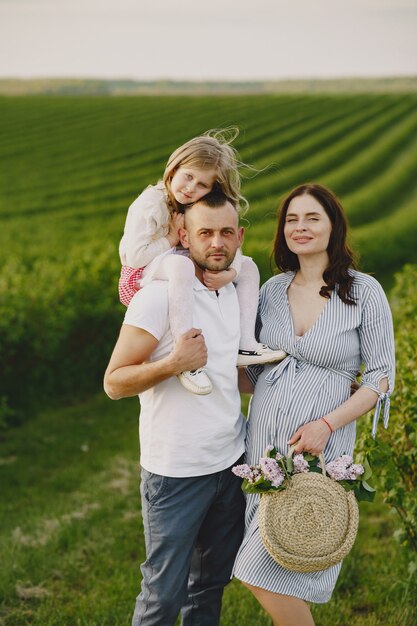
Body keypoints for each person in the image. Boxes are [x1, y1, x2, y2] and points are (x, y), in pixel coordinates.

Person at [233, 183, 395, 626]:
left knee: (276, 561)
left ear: (333, 226)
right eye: (291, 219)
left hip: (321, 442)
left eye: (312, 218)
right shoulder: (269, 291)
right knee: (271, 549)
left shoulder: (363, 291)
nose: (300, 227)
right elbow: (256, 369)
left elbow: (380, 377)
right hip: (265, 440)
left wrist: (326, 423)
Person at [104, 191, 249, 626]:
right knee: (163, 596)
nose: (217, 243)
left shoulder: (234, 295)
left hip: (230, 464)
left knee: (208, 589)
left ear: (240, 237)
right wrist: (172, 364)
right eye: (205, 232)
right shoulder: (159, 297)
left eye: (226, 232)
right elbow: (113, 382)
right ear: (184, 235)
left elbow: (230, 375)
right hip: (176, 472)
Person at [118, 129, 285, 396]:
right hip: (139, 271)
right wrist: (171, 238)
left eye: (202, 185)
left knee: (249, 267)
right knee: (182, 266)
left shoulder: (195, 204)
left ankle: (246, 343)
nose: (191, 189)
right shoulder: (150, 203)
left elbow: (228, 248)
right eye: (188, 177)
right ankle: (185, 354)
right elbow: (133, 256)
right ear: (174, 169)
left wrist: (231, 272)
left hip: (174, 257)